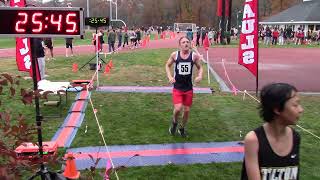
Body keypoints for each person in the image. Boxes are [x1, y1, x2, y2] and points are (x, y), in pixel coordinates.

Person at [241, 83, 304, 180]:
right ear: (277, 109)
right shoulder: (253, 140)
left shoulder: (295, 137)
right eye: (295, 105)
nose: (301, 109)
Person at [165, 36, 203, 137]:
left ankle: (181, 128)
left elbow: (200, 67)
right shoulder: (175, 55)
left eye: (187, 42)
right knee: (177, 108)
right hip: (177, 87)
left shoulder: (194, 56)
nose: (186, 44)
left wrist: (200, 76)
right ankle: (174, 123)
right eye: (183, 42)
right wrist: (170, 76)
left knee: (186, 110)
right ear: (179, 45)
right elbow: (167, 65)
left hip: (188, 88)